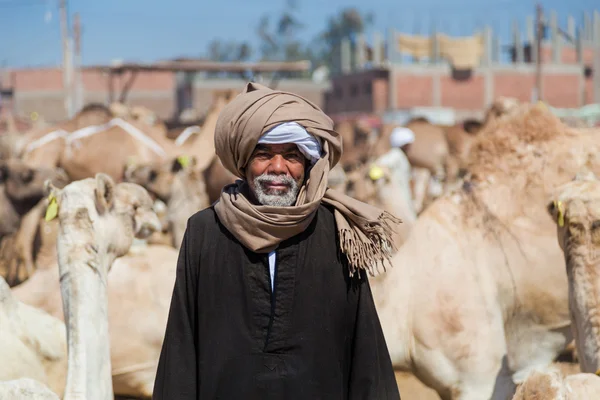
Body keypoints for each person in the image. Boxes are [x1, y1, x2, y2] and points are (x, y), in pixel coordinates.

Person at [152, 82, 401, 400]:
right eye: (264, 154)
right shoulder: (205, 232)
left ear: (308, 163)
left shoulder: (336, 231)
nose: (278, 168)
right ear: (243, 161)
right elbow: (181, 347)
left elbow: (366, 352)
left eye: (292, 156)